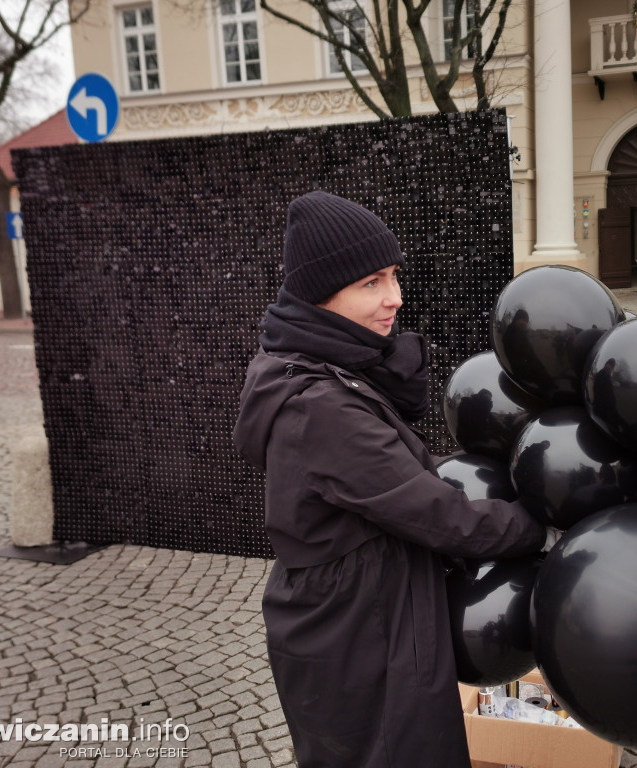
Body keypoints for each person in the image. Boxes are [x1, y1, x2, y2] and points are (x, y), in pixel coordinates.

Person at [232, 191, 553, 767]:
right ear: (321, 295)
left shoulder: (322, 367)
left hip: (359, 619)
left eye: (393, 276)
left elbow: (393, 482)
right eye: (371, 282)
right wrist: (543, 528)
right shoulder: (320, 405)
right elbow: (436, 514)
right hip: (359, 637)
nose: (395, 298)